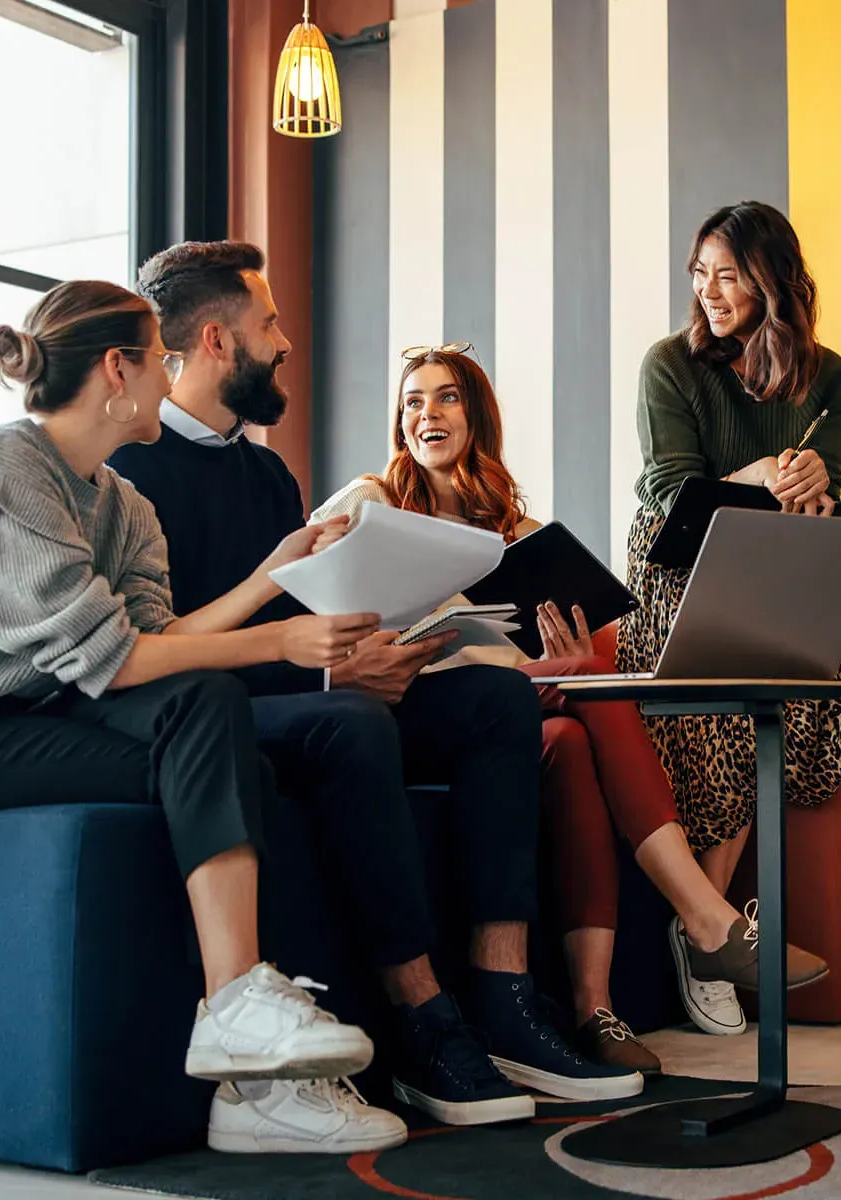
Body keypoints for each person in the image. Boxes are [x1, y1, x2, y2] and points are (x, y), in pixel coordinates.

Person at [108, 241, 647, 1136]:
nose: (285, 342)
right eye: (270, 323)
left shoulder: (268, 472)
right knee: (353, 723)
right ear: (215, 339)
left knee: (497, 704)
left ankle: (505, 998)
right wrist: (330, 671)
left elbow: (320, 604)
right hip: (215, 714)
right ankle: (422, 1025)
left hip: (313, 685)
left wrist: (377, 651)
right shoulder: (134, 473)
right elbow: (166, 650)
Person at [0, 279, 415, 1155]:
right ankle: (235, 1013)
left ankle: (256, 1086)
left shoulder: (123, 504)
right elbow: (120, 662)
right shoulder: (3, 469)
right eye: (161, 358)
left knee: (236, 755)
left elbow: (156, 638)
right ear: (120, 368)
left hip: (24, 721)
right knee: (209, 712)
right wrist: (281, 641)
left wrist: (273, 576)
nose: (172, 375)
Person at [311, 342, 827, 1070]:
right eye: (413, 401)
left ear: (477, 416)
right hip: (407, 707)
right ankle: (706, 921)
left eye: (447, 396)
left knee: (582, 710)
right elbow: (309, 586)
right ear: (400, 425)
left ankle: (595, 1009)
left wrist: (571, 655)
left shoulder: (520, 536)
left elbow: (536, 662)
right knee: (573, 695)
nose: (427, 412)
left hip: (510, 716)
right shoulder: (373, 501)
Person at [617, 200, 841, 1033]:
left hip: (771, 562)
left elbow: (822, 484)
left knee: (830, 636)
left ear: (771, 281)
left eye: (728, 275)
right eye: (701, 274)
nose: (709, 290)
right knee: (736, 683)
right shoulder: (670, 364)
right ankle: (712, 927)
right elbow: (665, 493)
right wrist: (757, 472)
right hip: (679, 567)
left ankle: (705, 929)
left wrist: (809, 487)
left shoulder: (828, 375)